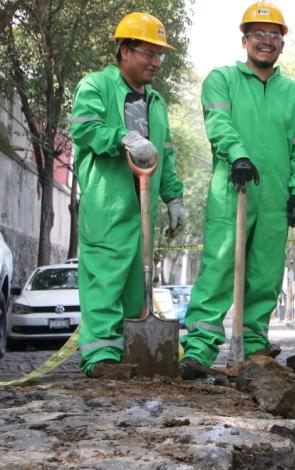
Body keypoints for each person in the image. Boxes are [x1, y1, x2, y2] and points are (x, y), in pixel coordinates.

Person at [179, 2, 295, 378]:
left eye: (273, 35)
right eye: (258, 34)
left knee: (266, 276)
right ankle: (199, 349)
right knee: (219, 268)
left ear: (282, 43)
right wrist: (238, 155)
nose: (266, 41)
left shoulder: (293, 94)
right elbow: (218, 121)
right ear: (245, 39)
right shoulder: (222, 80)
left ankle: (253, 347)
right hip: (233, 190)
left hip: (274, 199)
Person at [71, 12, 185, 378]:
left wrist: (174, 198)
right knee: (105, 282)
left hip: (144, 209)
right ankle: (100, 359)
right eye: (148, 53)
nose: (155, 62)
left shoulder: (157, 102)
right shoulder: (96, 86)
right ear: (124, 50)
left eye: (159, 55)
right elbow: (83, 130)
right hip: (108, 206)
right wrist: (120, 136)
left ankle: (129, 356)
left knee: (137, 287)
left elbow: (164, 153)